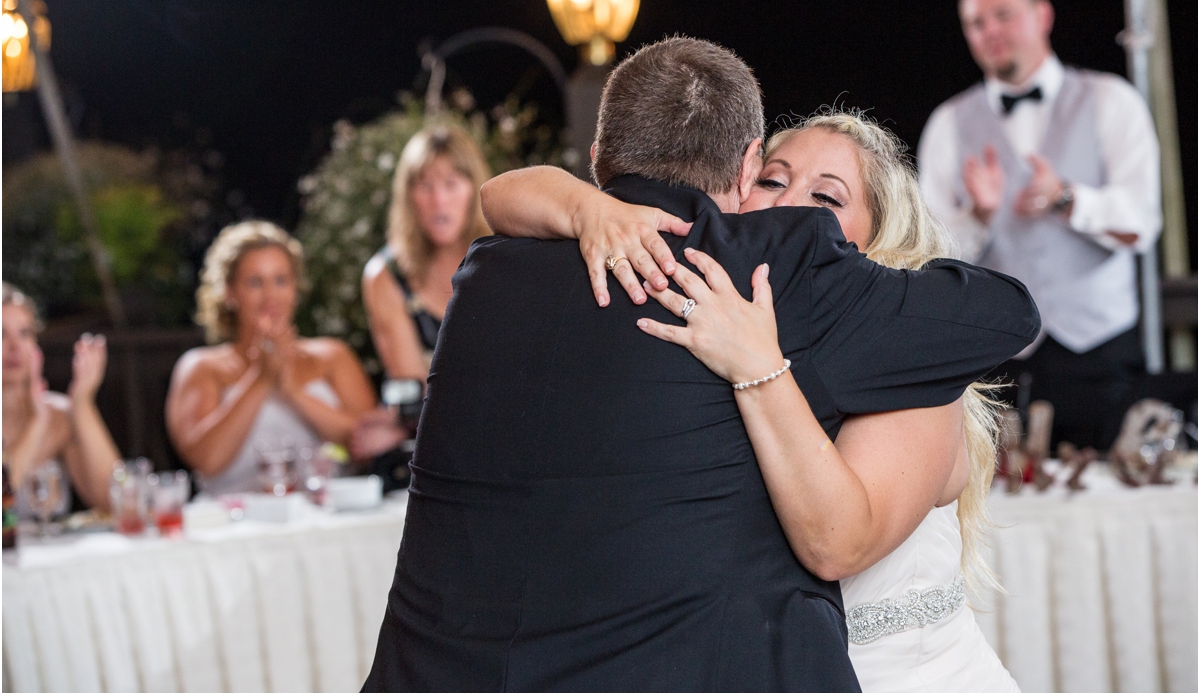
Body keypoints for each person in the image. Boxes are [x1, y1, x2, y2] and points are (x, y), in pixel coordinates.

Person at [362, 37, 1039, 691]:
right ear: (745, 175)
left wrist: (759, 362)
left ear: (600, 158)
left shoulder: (486, 274)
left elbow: (838, 539)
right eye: (775, 179)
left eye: (826, 201)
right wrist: (583, 207)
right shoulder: (753, 270)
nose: (793, 209)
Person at [917, 0, 1162, 451]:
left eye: (1002, 15)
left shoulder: (1112, 100)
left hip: (1101, 350)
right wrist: (979, 218)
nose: (990, 32)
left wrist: (1067, 198)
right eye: (975, 23)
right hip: (995, 358)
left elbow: (1142, 223)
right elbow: (928, 253)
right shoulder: (947, 124)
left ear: (1043, 15)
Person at [166, 221, 376, 496]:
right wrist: (261, 378)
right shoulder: (201, 367)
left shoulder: (333, 356)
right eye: (255, 282)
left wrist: (292, 393)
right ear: (229, 293)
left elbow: (368, 446)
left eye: (281, 280)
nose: (270, 296)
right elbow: (206, 460)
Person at [352, 126, 491, 465]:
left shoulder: (501, 259)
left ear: (475, 189)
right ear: (408, 195)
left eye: (451, 184)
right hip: (435, 452)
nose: (438, 200)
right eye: (425, 185)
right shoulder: (385, 276)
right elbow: (419, 400)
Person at [2, 283, 120, 514]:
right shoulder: (44, 417)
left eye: (24, 333)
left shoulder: (58, 414)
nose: (15, 346)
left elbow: (115, 501)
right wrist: (36, 425)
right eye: (0, 334)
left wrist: (82, 401)